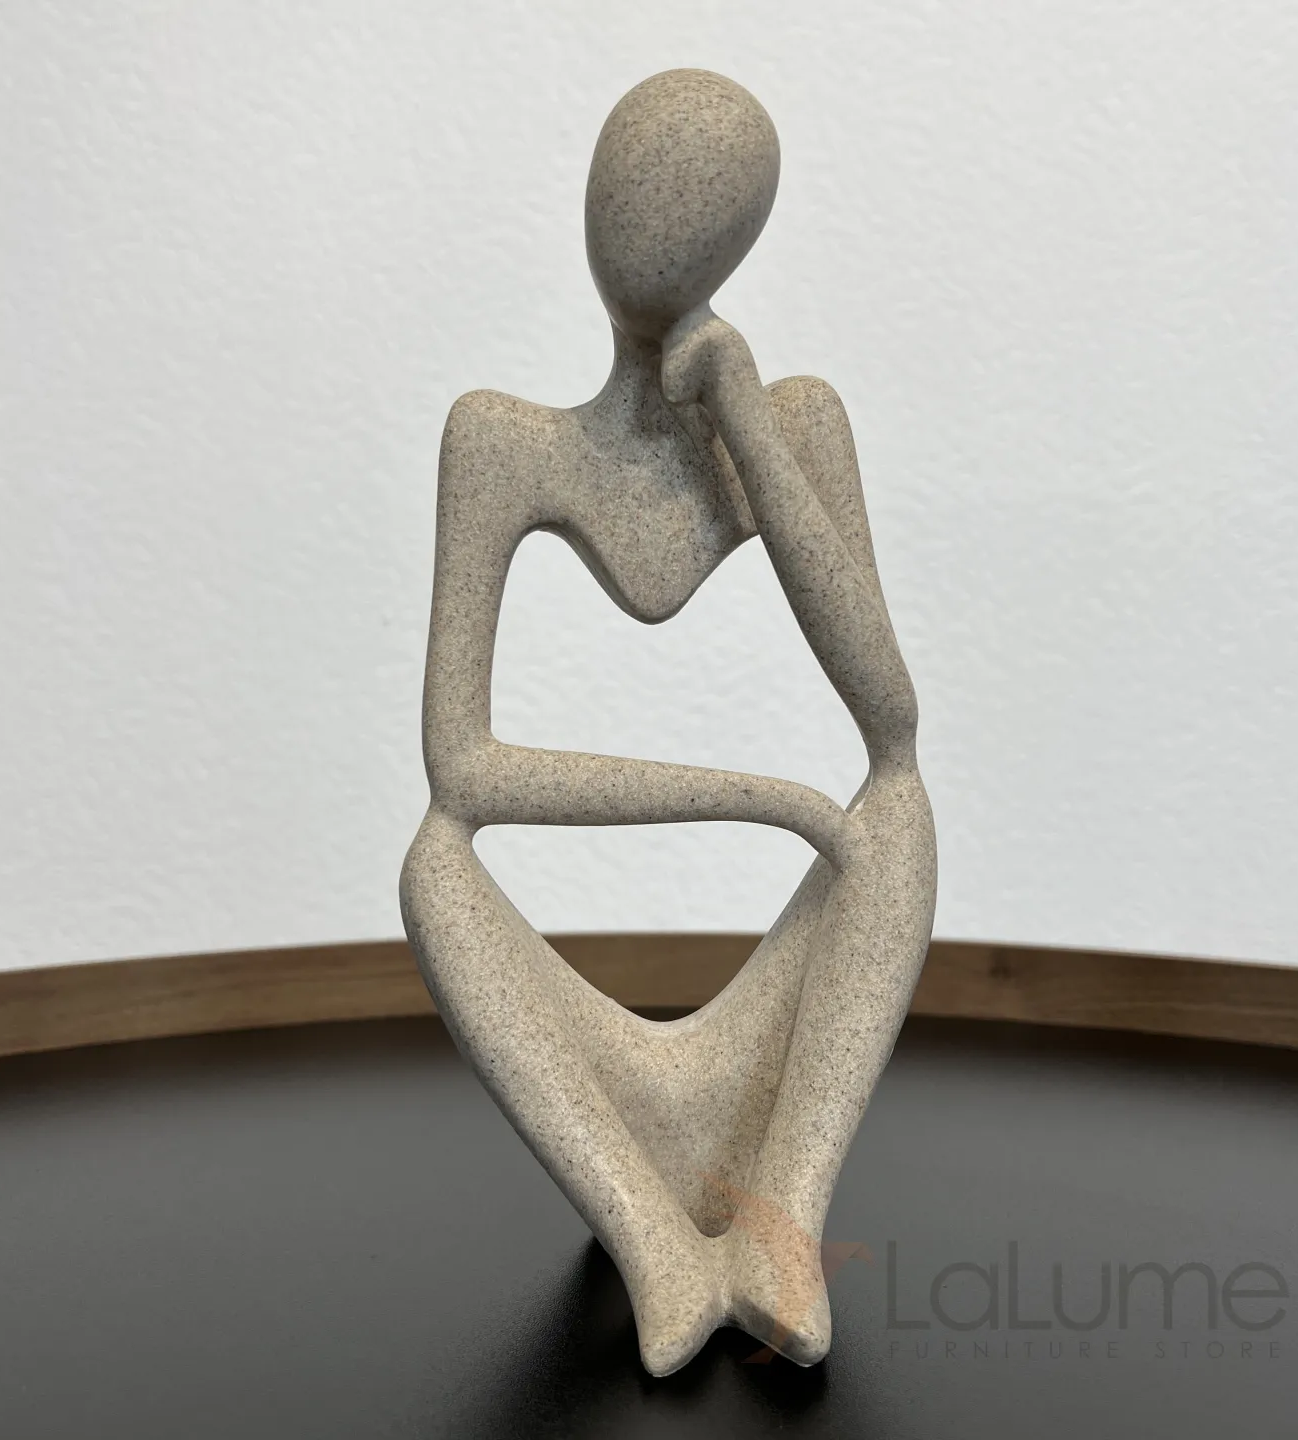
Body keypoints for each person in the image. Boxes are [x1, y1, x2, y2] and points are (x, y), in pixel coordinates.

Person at [401, 69, 936, 1375]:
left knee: (901, 815)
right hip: (609, 1080)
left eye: (694, 209)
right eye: (631, 194)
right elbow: (462, 772)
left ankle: (780, 1225)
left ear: (738, 244)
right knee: (432, 869)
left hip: (762, 1067)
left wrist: (747, 421)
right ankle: (656, 1246)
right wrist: (762, 798)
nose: (652, 231)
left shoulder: (795, 424)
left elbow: (890, 722)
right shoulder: (501, 442)